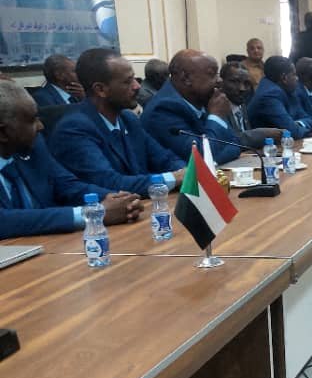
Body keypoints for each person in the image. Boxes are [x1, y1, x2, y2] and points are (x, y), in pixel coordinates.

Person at [0, 80, 142, 239]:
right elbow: (4, 221)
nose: (41, 126)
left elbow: (67, 185)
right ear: (3, 133)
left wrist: (120, 200)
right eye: (32, 120)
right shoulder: (29, 143)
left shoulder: (33, 146)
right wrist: (90, 214)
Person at [50, 48, 187, 195]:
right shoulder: (73, 130)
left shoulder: (128, 119)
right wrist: (174, 178)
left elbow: (166, 159)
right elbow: (111, 183)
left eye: (134, 78)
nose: (137, 86)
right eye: (128, 81)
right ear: (100, 89)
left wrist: (185, 172)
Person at [140, 49, 242, 163]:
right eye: (212, 74)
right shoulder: (163, 110)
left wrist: (214, 157)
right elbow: (201, 158)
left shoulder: (202, 98)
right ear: (186, 78)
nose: (219, 80)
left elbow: (235, 143)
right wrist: (216, 117)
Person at [219, 62, 283, 148]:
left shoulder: (242, 105)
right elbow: (227, 141)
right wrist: (261, 134)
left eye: (246, 83)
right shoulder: (217, 109)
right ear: (221, 82)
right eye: (235, 81)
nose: (242, 88)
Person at [248, 56, 312, 139]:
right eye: (294, 75)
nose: (297, 79)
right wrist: (294, 125)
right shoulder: (269, 95)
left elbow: (308, 118)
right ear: (284, 78)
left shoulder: (288, 90)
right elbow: (292, 132)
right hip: (266, 145)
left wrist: (298, 124)